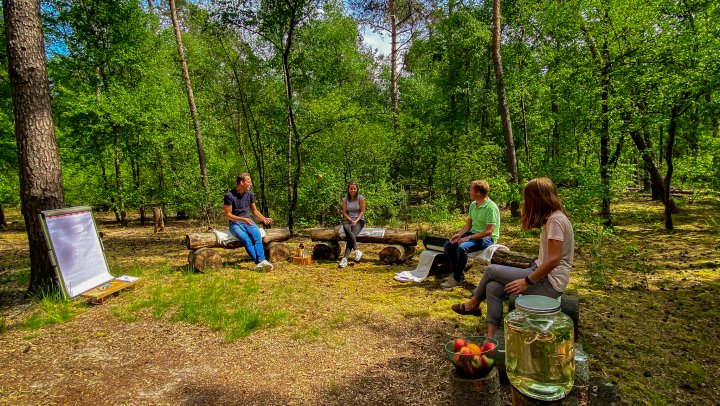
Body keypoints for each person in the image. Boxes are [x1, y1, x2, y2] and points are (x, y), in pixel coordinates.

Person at [450, 177, 574, 341]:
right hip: (540, 275)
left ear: (537, 198)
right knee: (493, 287)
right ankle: (490, 338)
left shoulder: (555, 221)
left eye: (527, 198)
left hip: (550, 283)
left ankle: (473, 303)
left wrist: (527, 281)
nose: (525, 202)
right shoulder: (551, 219)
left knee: (492, 269)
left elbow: (554, 260)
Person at [440, 179, 500, 288]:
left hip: (488, 238)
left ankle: (457, 279)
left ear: (478, 193)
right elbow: (468, 225)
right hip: (474, 234)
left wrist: (468, 238)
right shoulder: (473, 205)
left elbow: (489, 232)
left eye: (471, 190)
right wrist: (459, 234)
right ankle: (458, 275)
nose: (469, 192)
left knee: (462, 248)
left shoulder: (491, 208)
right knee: (449, 245)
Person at [224, 173, 274, 271]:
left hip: (248, 222)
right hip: (235, 223)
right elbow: (228, 215)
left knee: (257, 237)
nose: (250, 184)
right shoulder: (229, 195)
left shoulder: (250, 194)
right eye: (248, 182)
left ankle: (262, 261)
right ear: (241, 182)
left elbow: (255, 211)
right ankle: (260, 262)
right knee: (246, 240)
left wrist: (264, 219)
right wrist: (242, 219)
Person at [339, 181, 366, 268]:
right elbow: (344, 212)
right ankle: (357, 250)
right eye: (351, 188)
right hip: (348, 219)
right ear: (348, 189)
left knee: (351, 236)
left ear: (357, 189)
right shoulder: (345, 199)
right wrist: (350, 220)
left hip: (359, 220)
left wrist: (356, 221)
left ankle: (344, 259)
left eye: (354, 188)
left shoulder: (360, 198)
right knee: (346, 228)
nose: (353, 190)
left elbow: (362, 211)